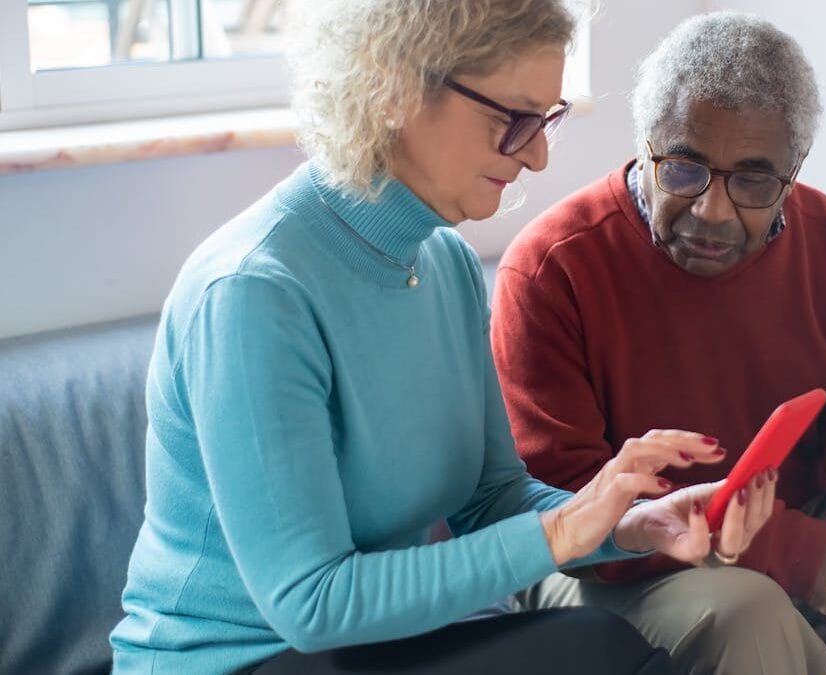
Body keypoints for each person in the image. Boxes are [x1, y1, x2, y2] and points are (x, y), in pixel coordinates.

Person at [108, 2, 778, 673]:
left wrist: (633, 520)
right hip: (233, 659)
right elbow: (310, 603)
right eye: (514, 120)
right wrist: (563, 531)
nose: (538, 156)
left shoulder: (446, 264)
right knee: (603, 652)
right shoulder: (255, 292)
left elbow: (492, 500)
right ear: (394, 87)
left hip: (369, 646)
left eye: (546, 121)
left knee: (607, 650)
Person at [492, 11, 826, 675]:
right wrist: (790, 551)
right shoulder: (553, 266)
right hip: (605, 561)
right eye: (684, 168)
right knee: (747, 611)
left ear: (794, 168)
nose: (712, 210)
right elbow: (567, 505)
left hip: (792, 516)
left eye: (753, 180)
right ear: (643, 143)